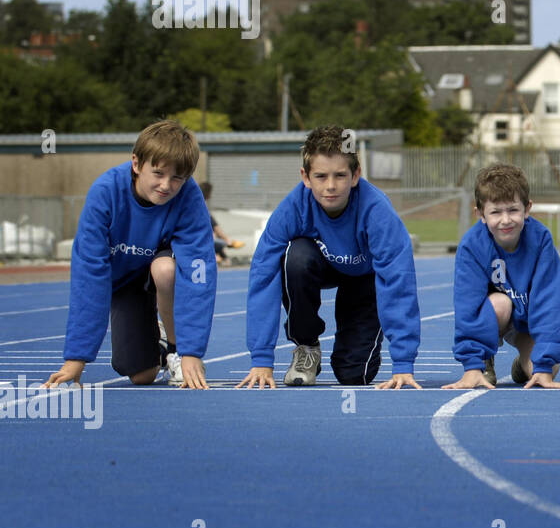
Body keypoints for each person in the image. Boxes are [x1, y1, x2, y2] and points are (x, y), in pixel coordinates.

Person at [236, 125, 422, 390]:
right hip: (318, 265)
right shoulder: (293, 208)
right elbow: (263, 278)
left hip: (364, 277)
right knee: (294, 256)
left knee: (354, 376)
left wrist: (403, 364)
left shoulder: (377, 211)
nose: (331, 186)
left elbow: (398, 282)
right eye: (321, 176)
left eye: (340, 175)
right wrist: (261, 359)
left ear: (356, 175)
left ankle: (359, 344)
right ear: (306, 177)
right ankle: (306, 346)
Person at [43, 120, 214, 390]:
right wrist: (76, 360)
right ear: (136, 164)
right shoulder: (105, 194)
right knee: (141, 375)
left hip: (160, 269)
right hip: (124, 281)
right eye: (158, 173)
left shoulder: (190, 199)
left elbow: (198, 273)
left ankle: (174, 350)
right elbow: (90, 276)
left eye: (177, 178)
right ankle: (153, 338)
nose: (166, 186)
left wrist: (191, 351)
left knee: (165, 271)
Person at [443, 164, 560, 390]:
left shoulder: (541, 239)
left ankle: (521, 365)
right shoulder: (471, 246)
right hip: (494, 317)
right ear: (480, 214)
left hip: (527, 321)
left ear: (527, 209)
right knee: (500, 304)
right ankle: (485, 361)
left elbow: (551, 301)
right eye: (495, 212)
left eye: (513, 210)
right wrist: (471, 366)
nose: (506, 220)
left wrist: (543, 365)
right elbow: (469, 306)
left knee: (547, 370)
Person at [200, 181, 244, 267]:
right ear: (207, 193)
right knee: (219, 241)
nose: (211, 196)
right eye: (210, 193)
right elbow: (215, 227)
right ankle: (219, 256)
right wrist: (227, 241)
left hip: (204, 238)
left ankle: (222, 257)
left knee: (218, 239)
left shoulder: (200, 207)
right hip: (202, 240)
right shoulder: (202, 209)